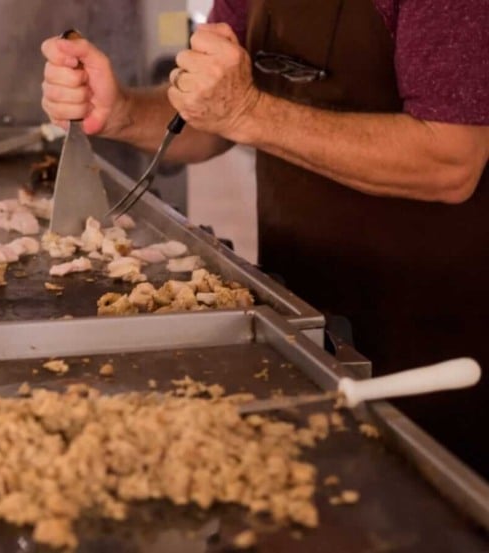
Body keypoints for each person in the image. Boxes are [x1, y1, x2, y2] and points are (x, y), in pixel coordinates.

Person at [41, 0, 489, 476]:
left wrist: (249, 112)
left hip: (433, 324)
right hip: (303, 312)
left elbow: (451, 159)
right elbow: (212, 120)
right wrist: (121, 113)